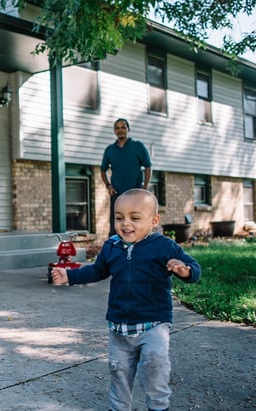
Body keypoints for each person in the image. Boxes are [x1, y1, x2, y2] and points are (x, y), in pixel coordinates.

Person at [51, 189, 201, 411]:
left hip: (154, 324)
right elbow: (97, 271)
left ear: (154, 220)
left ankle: (159, 407)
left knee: (155, 368)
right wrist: (69, 276)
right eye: (119, 217)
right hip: (119, 325)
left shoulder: (164, 246)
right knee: (119, 373)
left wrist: (185, 271)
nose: (125, 224)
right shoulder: (112, 246)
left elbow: (195, 268)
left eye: (135, 218)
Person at [101, 118, 152, 236]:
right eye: (117, 128)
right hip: (117, 194)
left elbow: (148, 166)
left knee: (136, 223)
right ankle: (116, 250)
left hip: (135, 193)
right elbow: (103, 170)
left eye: (123, 127)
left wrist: (144, 186)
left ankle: (137, 249)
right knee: (116, 225)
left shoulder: (138, 146)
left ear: (128, 129)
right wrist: (108, 186)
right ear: (114, 131)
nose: (120, 130)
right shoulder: (110, 150)